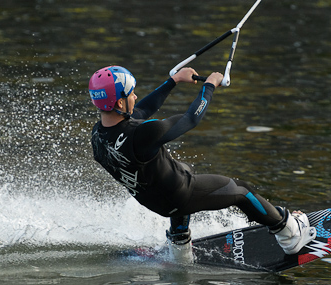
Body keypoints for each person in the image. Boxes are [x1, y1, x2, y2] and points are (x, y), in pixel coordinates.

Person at [88, 65, 315, 261]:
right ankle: (289, 233)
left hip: (152, 201)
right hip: (181, 194)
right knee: (243, 191)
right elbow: (190, 118)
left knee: (185, 167)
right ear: (119, 102)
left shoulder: (98, 137)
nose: (135, 96)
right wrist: (209, 86)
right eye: (131, 93)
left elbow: (140, 111)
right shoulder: (144, 133)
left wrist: (174, 80)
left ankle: (179, 244)